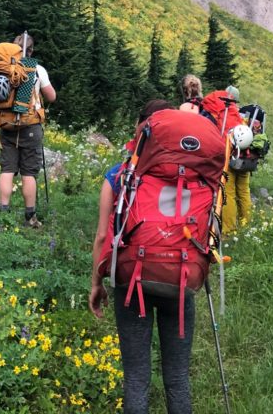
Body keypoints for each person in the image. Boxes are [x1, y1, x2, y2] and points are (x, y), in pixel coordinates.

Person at [90, 99, 197, 414]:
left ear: (139, 128)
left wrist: (96, 283)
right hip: (178, 279)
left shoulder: (118, 174)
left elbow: (101, 236)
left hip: (130, 278)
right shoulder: (190, 174)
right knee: (178, 377)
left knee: (136, 379)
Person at [0, 32, 56, 228]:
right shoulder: (37, 69)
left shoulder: (3, 67)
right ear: (31, 50)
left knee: (7, 169)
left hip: (7, 125)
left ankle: (2, 215)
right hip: (31, 126)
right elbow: (51, 96)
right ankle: (30, 217)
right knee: (29, 173)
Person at [220, 85, 251, 236]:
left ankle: (229, 229)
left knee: (228, 193)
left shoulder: (227, 115)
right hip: (246, 162)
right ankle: (246, 223)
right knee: (244, 192)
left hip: (231, 161)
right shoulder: (245, 118)